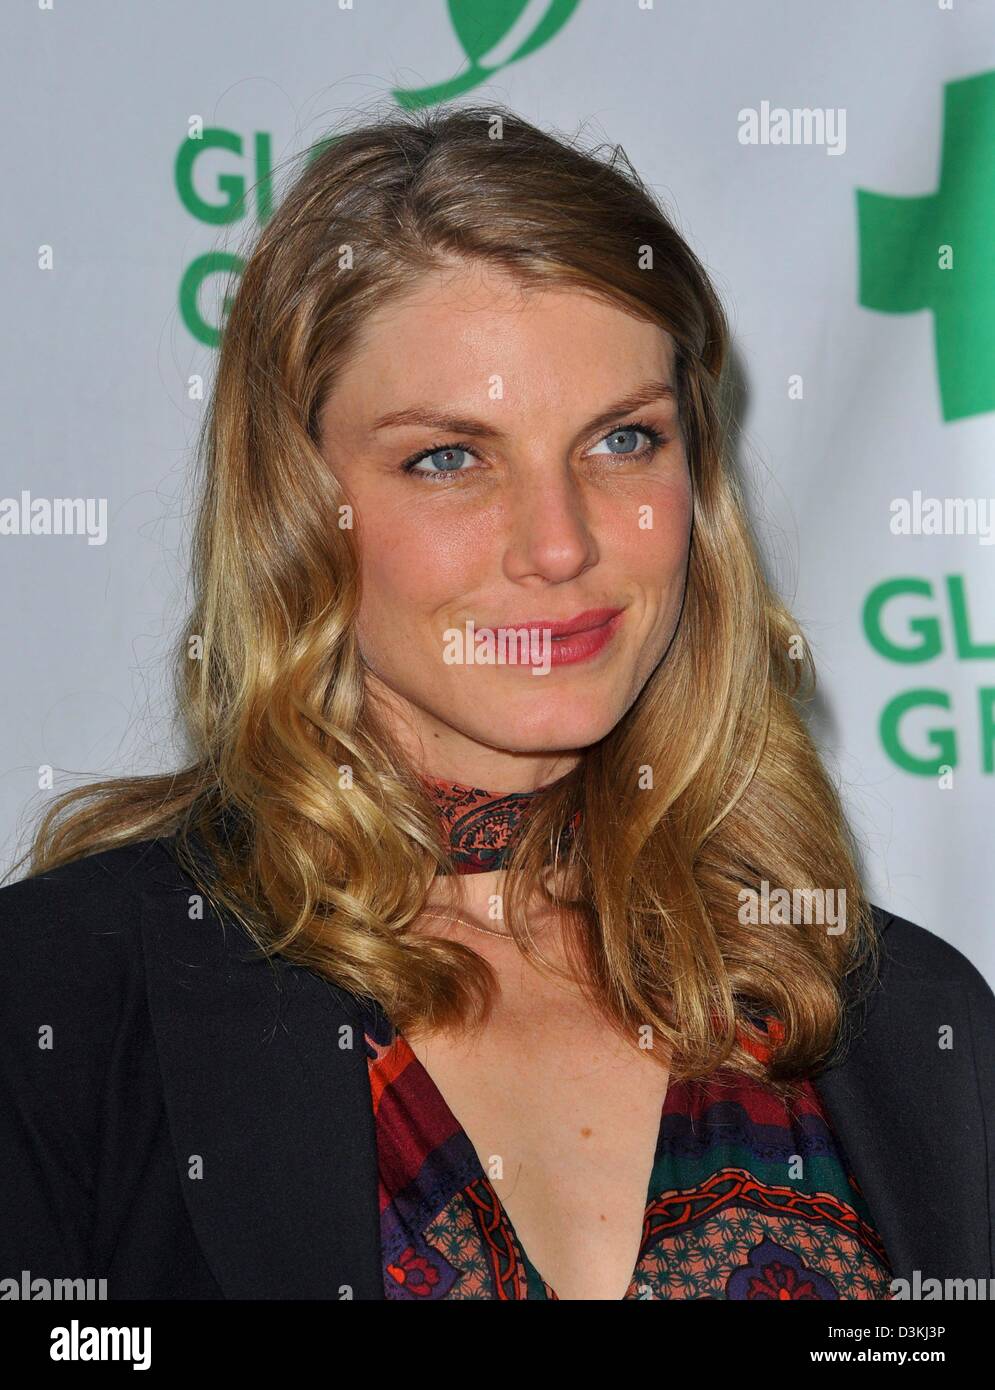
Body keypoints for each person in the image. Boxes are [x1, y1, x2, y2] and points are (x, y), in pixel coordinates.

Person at [1, 103, 992, 1303]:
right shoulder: (67, 1000)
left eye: (622, 440)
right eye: (447, 458)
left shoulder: (903, 1017)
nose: (558, 544)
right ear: (300, 508)